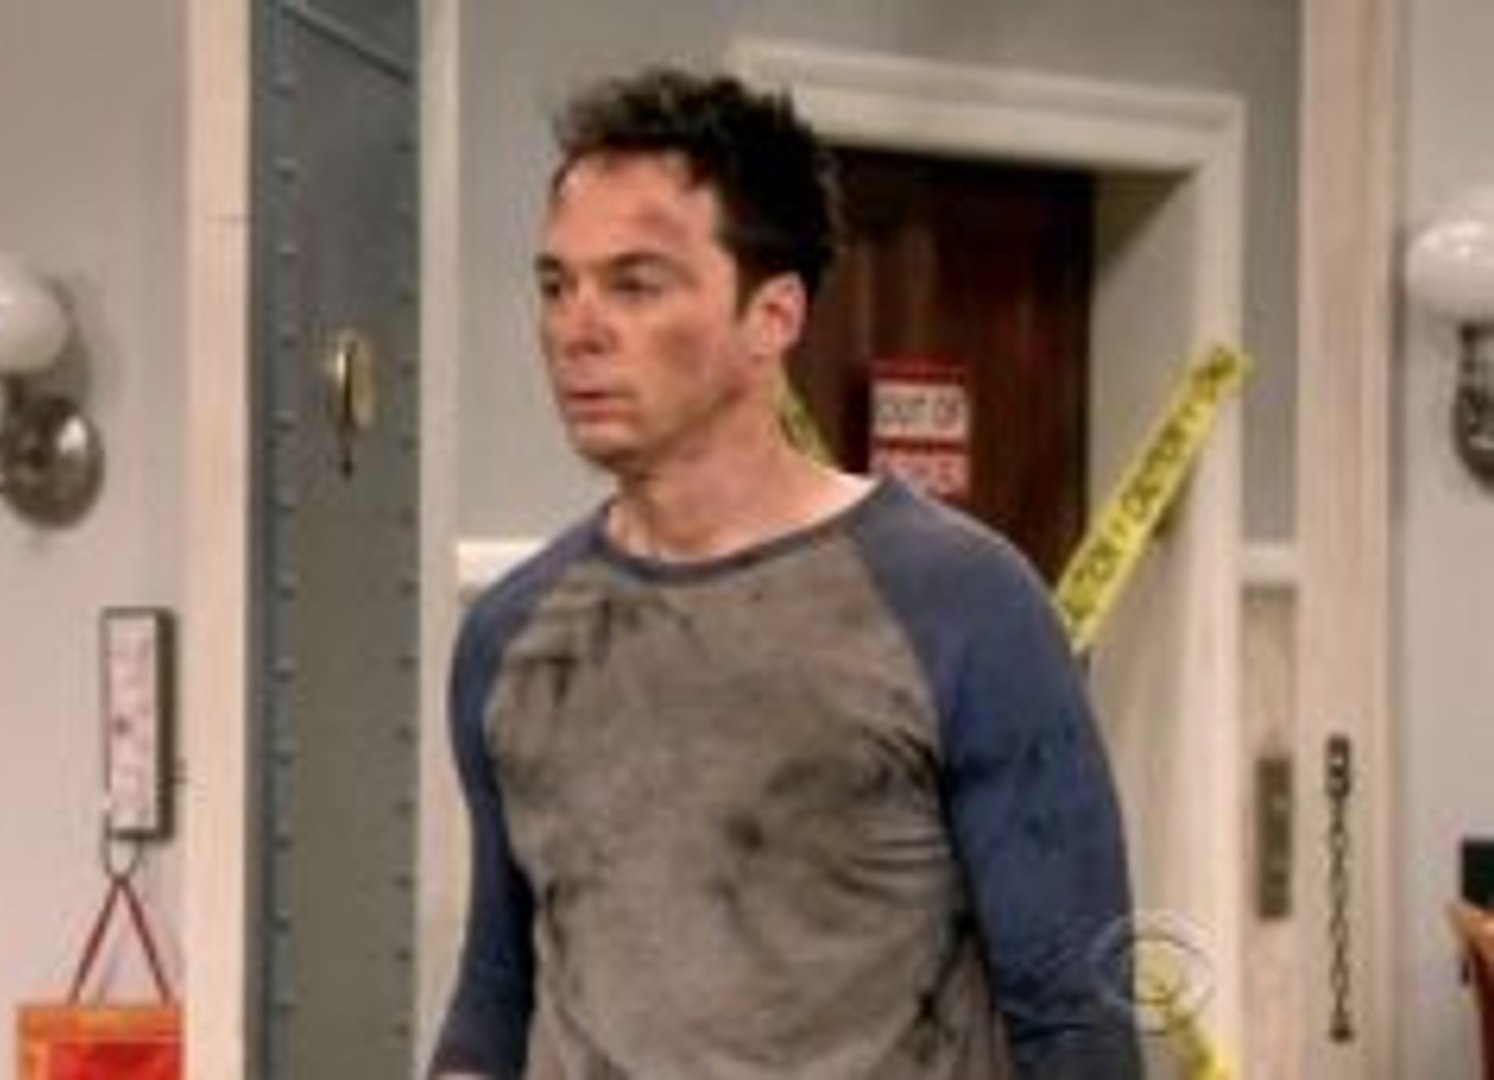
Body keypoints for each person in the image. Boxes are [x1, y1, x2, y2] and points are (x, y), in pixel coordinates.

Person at [429, 66, 1142, 1080]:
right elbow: (499, 988)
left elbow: (1076, 1018)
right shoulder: (511, 634)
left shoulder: (962, 605)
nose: (576, 329)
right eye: (556, 285)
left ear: (773, 315)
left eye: (635, 284)